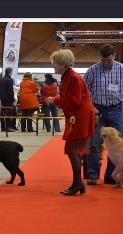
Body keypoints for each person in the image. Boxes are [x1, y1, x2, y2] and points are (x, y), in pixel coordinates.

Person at [83, 43, 123, 185]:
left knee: (116, 144)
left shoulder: (122, 69)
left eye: (109, 60)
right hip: (97, 110)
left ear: (114, 56)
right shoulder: (92, 70)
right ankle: (92, 175)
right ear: (100, 57)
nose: (106, 63)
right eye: (103, 60)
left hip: (115, 109)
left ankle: (110, 175)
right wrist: (90, 106)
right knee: (93, 143)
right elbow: (82, 89)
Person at [46, 49, 95, 195]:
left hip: (79, 117)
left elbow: (74, 101)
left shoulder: (72, 77)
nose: (53, 65)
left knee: (72, 150)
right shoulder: (68, 76)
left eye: (54, 62)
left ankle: (78, 183)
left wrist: (54, 100)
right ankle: (78, 183)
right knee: (74, 150)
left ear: (62, 63)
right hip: (78, 116)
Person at [0, 67, 16, 132]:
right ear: (9, 72)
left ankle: (3, 127)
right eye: (11, 72)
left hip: (2, 99)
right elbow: (10, 91)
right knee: (9, 113)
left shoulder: (1, 80)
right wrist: (13, 100)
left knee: (2, 113)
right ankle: (8, 127)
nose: (12, 73)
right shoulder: (9, 80)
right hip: (8, 99)